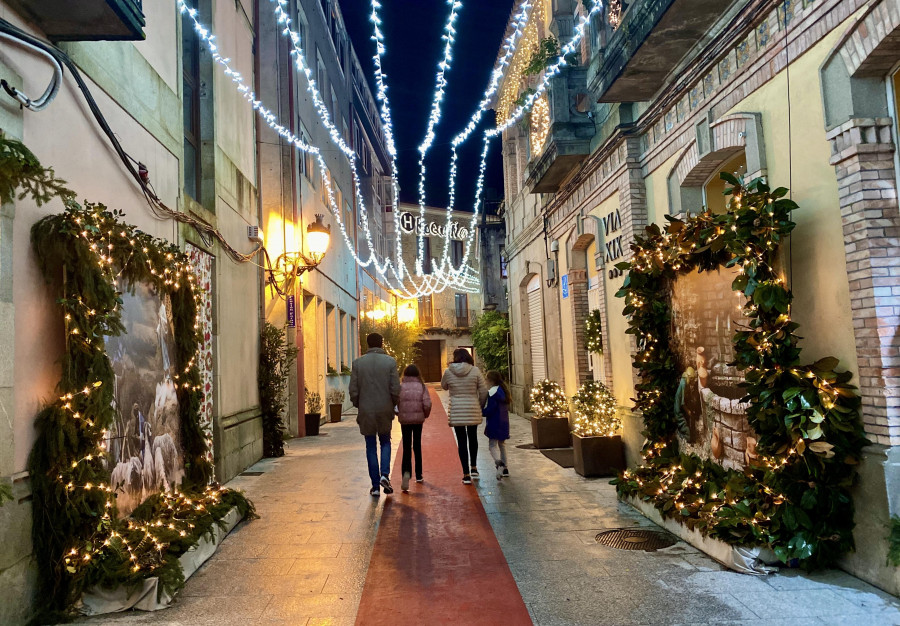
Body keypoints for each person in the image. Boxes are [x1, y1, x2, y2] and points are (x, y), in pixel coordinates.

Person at [350, 333, 401, 497]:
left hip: (366, 409)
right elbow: (395, 388)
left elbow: (353, 389)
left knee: (370, 444)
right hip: (385, 408)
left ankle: (375, 486)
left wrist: (359, 403)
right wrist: (393, 403)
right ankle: (385, 475)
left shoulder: (358, 363)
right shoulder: (390, 362)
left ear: (367, 344)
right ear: (382, 343)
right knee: (385, 441)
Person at [441, 348, 488, 484]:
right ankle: (474, 467)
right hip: (472, 407)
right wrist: (479, 405)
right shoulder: (475, 370)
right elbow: (483, 390)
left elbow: (444, 386)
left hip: (457, 409)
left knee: (461, 441)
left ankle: (466, 474)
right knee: (473, 437)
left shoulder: (448, 371)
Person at [397, 364, 432, 492]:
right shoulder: (422, 386)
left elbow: (396, 403)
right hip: (418, 420)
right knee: (417, 445)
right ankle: (419, 475)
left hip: (405, 420)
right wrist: (424, 415)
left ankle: (406, 472)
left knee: (406, 446)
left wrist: (399, 413)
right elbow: (427, 403)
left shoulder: (401, 387)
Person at [482, 370, 511, 481]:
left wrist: (481, 412)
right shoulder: (503, 390)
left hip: (494, 422)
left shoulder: (492, 392)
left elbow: (490, 409)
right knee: (502, 444)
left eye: (486, 379)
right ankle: (506, 468)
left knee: (492, 445)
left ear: (490, 381)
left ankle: (499, 464)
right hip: (504, 421)